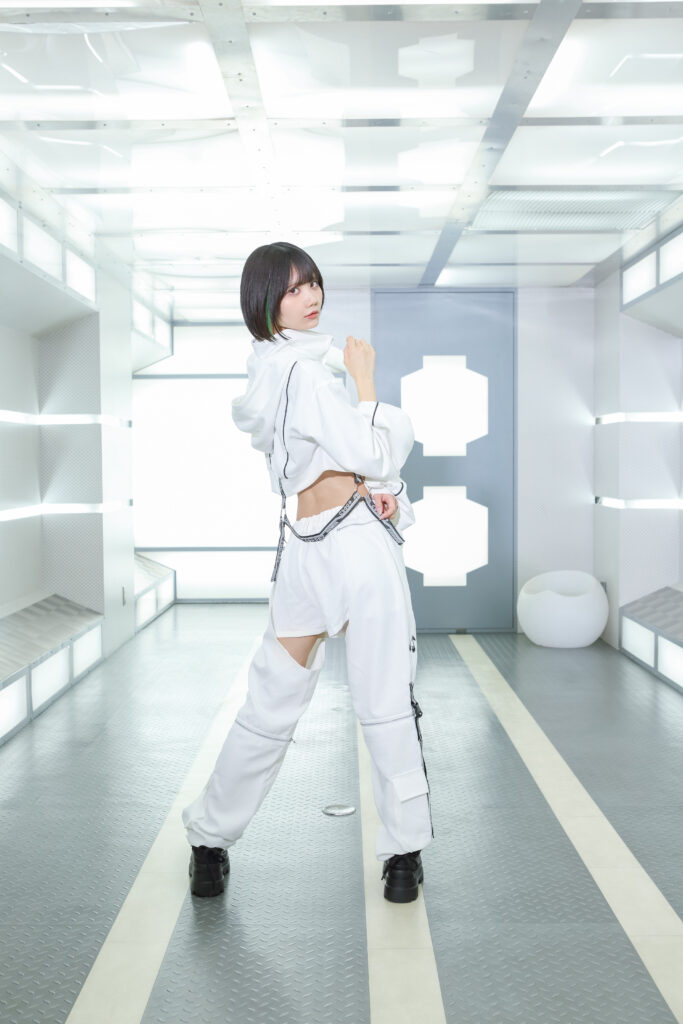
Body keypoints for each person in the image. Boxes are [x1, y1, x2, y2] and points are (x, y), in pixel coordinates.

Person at [181, 241, 433, 902]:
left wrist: (374, 481)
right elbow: (375, 453)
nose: (311, 297)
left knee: (272, 700)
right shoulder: (310, 374)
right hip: (349, 544)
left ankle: (209, 843)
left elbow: (320, 463)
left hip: (306, 542)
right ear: (265, 301)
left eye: (313, 283)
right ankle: (403, 855)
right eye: (293, 289)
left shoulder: (266, 374)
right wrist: (367, 384)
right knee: (384, 700)